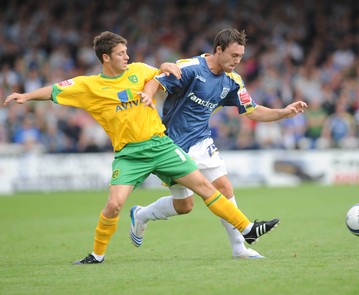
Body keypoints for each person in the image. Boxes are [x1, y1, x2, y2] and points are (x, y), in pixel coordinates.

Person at [3, 31, 279, 264]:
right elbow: (54, 91)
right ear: (106, 58)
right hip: (129, 155)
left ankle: (247, 229)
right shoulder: (88, 86)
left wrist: (168, 65)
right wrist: (25, 96)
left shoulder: (137, 70)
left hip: (161, 145)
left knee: (206, 190)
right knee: (114, 205)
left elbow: (162, 72)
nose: (127, 56)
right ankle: (96, 255)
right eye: (122, 53)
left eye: (127, 52)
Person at [134, 28, 308, 259]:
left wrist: (283, 113)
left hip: (201, 141)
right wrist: (148, 96)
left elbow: (252, 111)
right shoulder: (190, 68)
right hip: (171, 145)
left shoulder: (233, 81)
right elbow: (157, 81)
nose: (237, 61)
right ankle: (141, 215)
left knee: (224, 188)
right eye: (234, 55)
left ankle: (239, 248)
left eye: (240, 57)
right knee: (184, 206)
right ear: (218, 49)